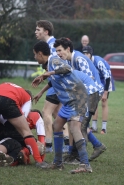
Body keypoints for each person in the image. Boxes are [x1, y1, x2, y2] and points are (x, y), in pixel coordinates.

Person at [32, 40, 92, 173]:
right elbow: (55, 80)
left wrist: (49, 73)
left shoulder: (53, 60)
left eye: (35, 55)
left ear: (40, 54)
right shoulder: (50, 64)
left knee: (75, 128)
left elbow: (68, 68)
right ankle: (58, 163)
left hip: (77, 98)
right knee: (57, 126)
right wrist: (41, 92)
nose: (34, 57)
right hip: (68, 101)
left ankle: (85, 165)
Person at [0, 82, 47, 168]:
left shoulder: (13, 89)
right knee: (26, 132)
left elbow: (2, 118)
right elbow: (23, 121)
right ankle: (39, 162)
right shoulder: (27, 99)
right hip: (8, 100)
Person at [35, 20, 69, 153]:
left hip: (58, 84)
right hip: (58, 84)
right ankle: (66, 143)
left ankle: (48, 145)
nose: (36, 32)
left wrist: (46, 76)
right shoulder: (49, 44)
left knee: (46, 112)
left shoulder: (52, 46)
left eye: (38, 29)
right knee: (58, 114)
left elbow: (60, 68)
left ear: (46, 31)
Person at [82, 45, 115, 134]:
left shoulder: (98, 61)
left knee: (104, 103)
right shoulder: (85, 62)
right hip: (97, 80)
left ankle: (104, 128)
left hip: (106, 80)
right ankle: (94, 126)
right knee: (94, 102)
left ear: (91, 54)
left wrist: (105, 92)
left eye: (87, 53)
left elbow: (107, 77)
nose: (85, 55)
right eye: (84, 53)